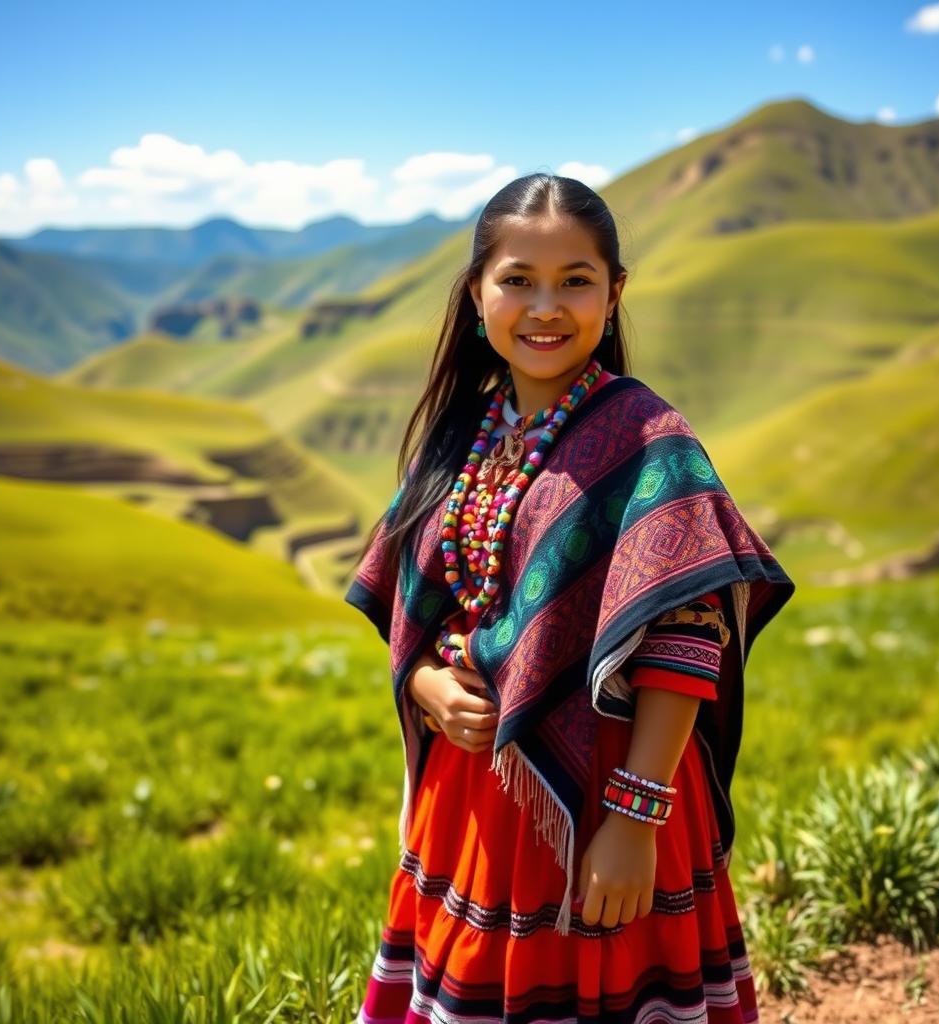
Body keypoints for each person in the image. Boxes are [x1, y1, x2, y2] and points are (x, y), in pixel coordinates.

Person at [344, 173, 795, 1023]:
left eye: (575, 281)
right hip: (476, 792)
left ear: (614, 293)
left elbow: (686, 631)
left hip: (612, 785)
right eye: (517, 279)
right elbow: (417, 599)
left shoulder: (650, 439)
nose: (544, 306)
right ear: (477, 295)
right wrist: (424, 685)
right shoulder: (458, 437)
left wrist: (634, 817)